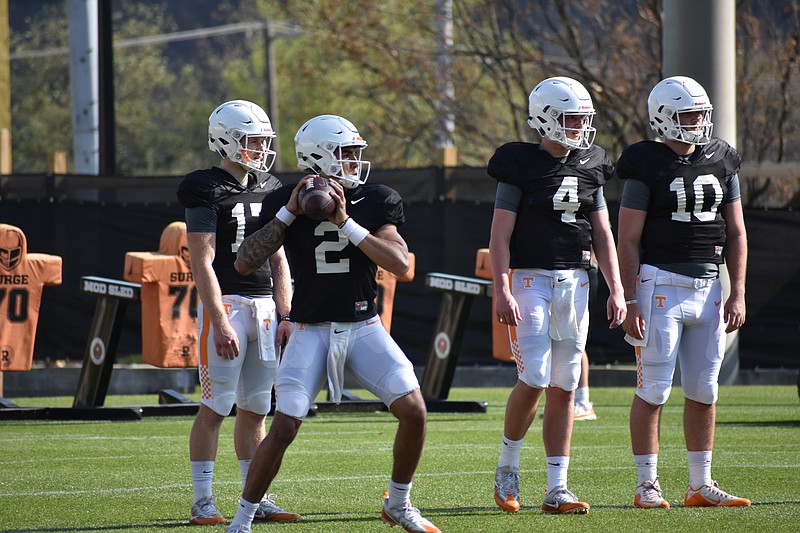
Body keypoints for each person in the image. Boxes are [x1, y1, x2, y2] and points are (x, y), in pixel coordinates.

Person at [226, 114, 440, 533]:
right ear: (317, 157)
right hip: (309, 328)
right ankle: (242, 520)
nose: (355, 161)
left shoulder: (377, 199)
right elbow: (244, 260)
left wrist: (345, 221)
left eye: (356, 152)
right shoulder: (284, 200)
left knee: (414, 411)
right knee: (285, 423)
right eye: (345, 153)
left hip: (363, 327)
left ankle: (398, 503)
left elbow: (400, 263)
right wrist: (288, 215)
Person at [488, 76, 626, 515]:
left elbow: (603, 233)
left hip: (577, 281)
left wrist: (617, 288)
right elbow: (500, 234)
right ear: (544, 119)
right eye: (570, 119)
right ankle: (507, 467)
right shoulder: (518, 164)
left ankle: (557, 487)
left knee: (565, 386)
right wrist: (502, 286)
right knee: (533, 378)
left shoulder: (592, 163)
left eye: (583, 119)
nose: (579, 128)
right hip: (530, 280)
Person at [616, 75, 750, 509]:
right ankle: (646, 485)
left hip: (709, 286)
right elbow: (628, 238)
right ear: (664, 117)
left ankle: (700, 483)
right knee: (654, 388)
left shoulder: (721, 158)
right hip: (659, 284)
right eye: (689, 114)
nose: (698, 122)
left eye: (701, 114)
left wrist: (738, 291)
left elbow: (736, 233)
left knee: (705, 389)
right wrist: (631, 296)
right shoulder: (645, 162)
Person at [176, 99, 299, 525]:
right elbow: (202, 262)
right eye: (250, 140)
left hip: (265, 308)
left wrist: (287, 314)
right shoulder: (204, 188)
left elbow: (280, 260)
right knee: (215, 406)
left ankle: (256, 496)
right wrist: (220, 319)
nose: (259, 148)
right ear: (225, 140)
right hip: (226, 304)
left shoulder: (271, 186)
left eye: (262, 140)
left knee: (256, 409)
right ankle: (203, 499)